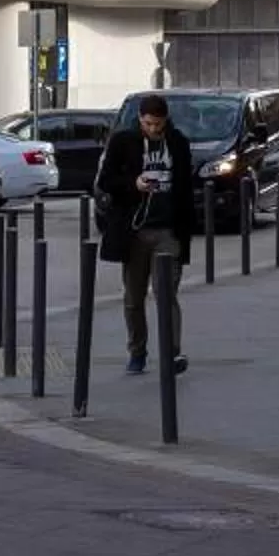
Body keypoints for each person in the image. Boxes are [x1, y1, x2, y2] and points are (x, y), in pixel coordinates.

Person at [97, 93, 198, 376]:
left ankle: (172, 353)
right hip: (135, 232)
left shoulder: (177, 143)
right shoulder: (123, 141)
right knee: (134, 298)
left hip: (168, 231)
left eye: (158, 124)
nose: (153, 129)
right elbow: (105, 180)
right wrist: (134, 183)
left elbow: (185, 188)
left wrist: (186, 230)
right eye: (148, 124)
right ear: (140, 119)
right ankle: (137, 351)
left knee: (167, 294)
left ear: (166, 121)